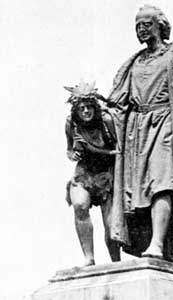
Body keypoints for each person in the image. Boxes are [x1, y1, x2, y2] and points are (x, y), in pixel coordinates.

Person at [107, 5, 173, 268]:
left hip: (167, 124)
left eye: (146, 23)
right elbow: (117, 104)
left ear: (160, 25)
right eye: (137, 24)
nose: (141, 28)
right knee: (139, 192)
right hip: (137, 132)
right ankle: (149, 240)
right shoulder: (133, 63)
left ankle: (158, 243)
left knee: (163, 182)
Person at [65, 81, 120, 265]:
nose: (86, 112)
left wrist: (105, 152)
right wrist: (74, 153)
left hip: (107, 173)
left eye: (89, 107)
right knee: (79, 205)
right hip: (85, 172)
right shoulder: (71, 124)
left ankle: (115, 261)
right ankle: (89, 257)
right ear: (76, 110)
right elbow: (69, 150)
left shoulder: (106, 121)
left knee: (112, 225)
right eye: (82, 108)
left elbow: (120, 149)